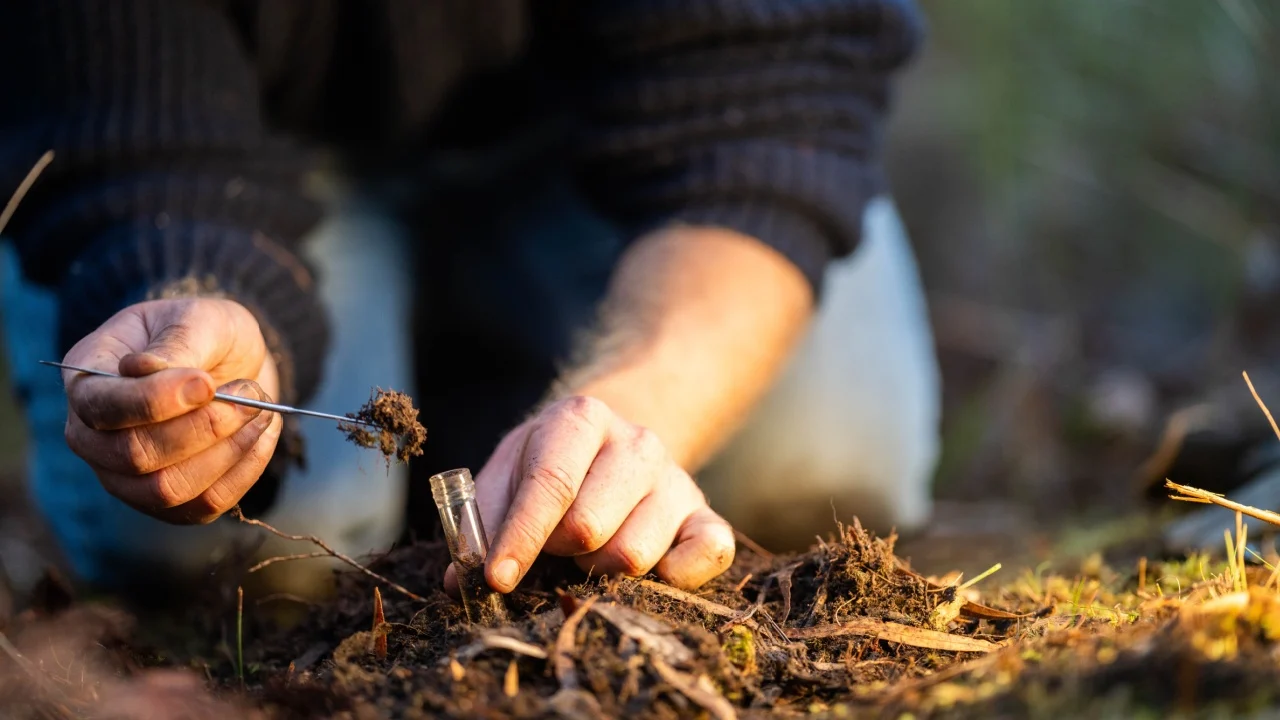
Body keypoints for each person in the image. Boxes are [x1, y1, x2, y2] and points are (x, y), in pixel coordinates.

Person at [0, 0, 940, 603]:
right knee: (248, 560)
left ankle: (484, 400)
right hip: (253, 163)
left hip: (595, 145)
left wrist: (632, 409)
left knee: (820, 453)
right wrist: (196, 297)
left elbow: (765, 118)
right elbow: (126, 135)